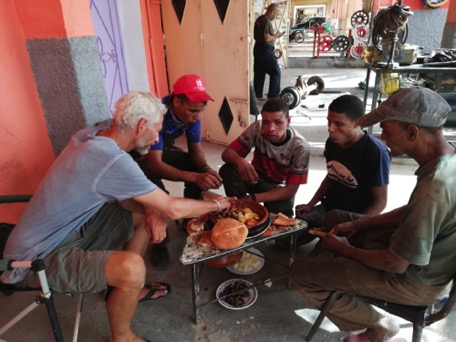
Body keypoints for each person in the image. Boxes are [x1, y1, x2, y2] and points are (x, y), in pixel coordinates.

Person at [1, 91, 231, 342]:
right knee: (132, 267)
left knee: (147, 216)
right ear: (141, 126)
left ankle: (122, 289)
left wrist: (152, 211)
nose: (157, 138)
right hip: (34, 259)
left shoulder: (93, 135)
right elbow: (172, 208)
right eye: (156, 130)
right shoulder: (112, 160)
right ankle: (121, 336)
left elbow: (126, 196)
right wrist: (216, 205)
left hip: (68, 229)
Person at [291, 87, 456, 342]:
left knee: (301, 274)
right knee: (336, 217)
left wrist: (346, 251)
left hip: (415, 281)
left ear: (412, 132)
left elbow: (396, 263)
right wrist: (362, 225)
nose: (382, 136)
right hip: (420, 256)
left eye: (387, 131)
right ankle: (335, 266)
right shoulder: (448, 161)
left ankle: (379, 326)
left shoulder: (433, 188)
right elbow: (413, 213)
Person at [137, 74, 223, 270]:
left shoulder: (193, 115)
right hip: (137, 158)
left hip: (160, 151)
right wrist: (194, 176)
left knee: (193, 167)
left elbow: (196, 151)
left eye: (201, 111)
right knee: (157, 195)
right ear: (176, 101)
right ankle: (160, 243)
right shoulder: (156, 114)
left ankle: (190, 221)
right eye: (193, 111)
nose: (197, 117)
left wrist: (205, 169)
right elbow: (155, 165)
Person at [293, 94, 391, 246]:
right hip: (328, 209)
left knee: (320, 261)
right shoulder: (332, 142)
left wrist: (356, 226)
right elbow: (332, 175)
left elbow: (380, 202)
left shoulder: (375, 152)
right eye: (329, 122)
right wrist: (311, 204)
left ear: (357, 123)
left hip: (353, 216)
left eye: (338, 124)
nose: (330, 129)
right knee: (284, 239)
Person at [219, 98, 310, 217]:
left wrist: (253, 198)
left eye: (278, 122)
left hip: (278, 187)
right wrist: (240, 161)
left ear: (288, 121)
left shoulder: (300, 147)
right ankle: (239, 211)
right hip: (255, 176)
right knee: (228, 170)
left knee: (281, 217)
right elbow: (227, 153)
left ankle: (246, 204)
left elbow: (290, 191)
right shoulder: (257, 128)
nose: (271, 128)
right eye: (266, 122)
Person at [253, 3, 284, 100]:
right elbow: (266, 39)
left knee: (260, 72)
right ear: (272, 12)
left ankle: (257, 95)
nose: (276, 16)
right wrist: (276, 35)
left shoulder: (259, 19)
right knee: (275, 71)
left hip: (258, 48)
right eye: (276, 14)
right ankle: (273, 96)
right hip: (265, 49)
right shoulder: (266, 21)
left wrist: (273, 35)